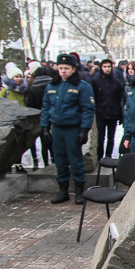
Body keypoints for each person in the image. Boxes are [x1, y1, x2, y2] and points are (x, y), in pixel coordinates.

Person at [40, 53, 95, 204]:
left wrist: (84, 130)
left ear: (73, 69)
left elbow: (88, 110)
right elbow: (45, 107)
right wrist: (44, 127)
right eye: (61, 68)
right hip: (57, 128)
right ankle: (63, 191)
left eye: (67, 68)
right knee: (60, 160)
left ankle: (79, 192)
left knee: (75, 160)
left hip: (73, 128)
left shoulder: (82, 87)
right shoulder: (52, 86)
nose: (63, 71)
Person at [91, 58, 125, 159]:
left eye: (109, 67)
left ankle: (108, 156)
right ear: (101, 67)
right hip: (100, 113)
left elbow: (120, 99)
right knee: (100, 137)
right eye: (104, 67)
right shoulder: (96, 81)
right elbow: (94, 98)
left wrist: (120, 114)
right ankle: (99, 156)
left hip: (113, 114)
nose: (107, 69)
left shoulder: (117, 83)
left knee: (111, 138)